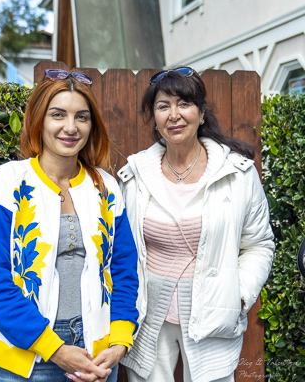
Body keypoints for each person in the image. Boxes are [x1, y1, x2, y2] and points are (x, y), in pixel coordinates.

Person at [0, 69, 139, 382]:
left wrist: (119, 341)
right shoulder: (6, 183)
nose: (70, 127)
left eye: (82, 117)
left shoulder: (107, 186)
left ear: (92, 125)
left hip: (97, 355)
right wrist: (54, 348)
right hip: (29, 358)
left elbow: (124, 271)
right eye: (58, 114)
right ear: (39, 119)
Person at [117, 67, 275, 382]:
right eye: (163, 106)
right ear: (155, 117)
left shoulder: (237, 174)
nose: (174, 115)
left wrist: (239, 295)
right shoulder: (134, 175)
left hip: (214, 310)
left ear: (201, 112)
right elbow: (121, 248)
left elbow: (259, 243)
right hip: (149, 315)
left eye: (184, 104)